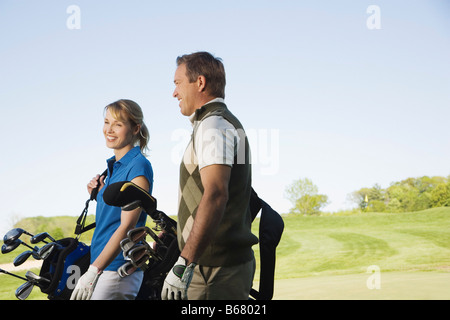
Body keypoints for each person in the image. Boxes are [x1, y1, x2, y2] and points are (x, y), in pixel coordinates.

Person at [162, 51, 259, 300]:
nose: (174, 93)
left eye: (178, 83)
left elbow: (216, 194)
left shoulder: (212, 125)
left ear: (200, 82)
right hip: (214, 266)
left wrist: (184, 263)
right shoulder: (217, 123)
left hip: (210, 271)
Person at [71, 99, 153, 300]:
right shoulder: (114, 167)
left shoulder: (138, 166)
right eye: (107, 122)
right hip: (103, 265)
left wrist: (93, 271)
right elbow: (116, 214)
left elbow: (127, 226)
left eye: (118, 124)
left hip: (118, 269)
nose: (109, 129)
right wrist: (100, 194)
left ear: (135, 128)